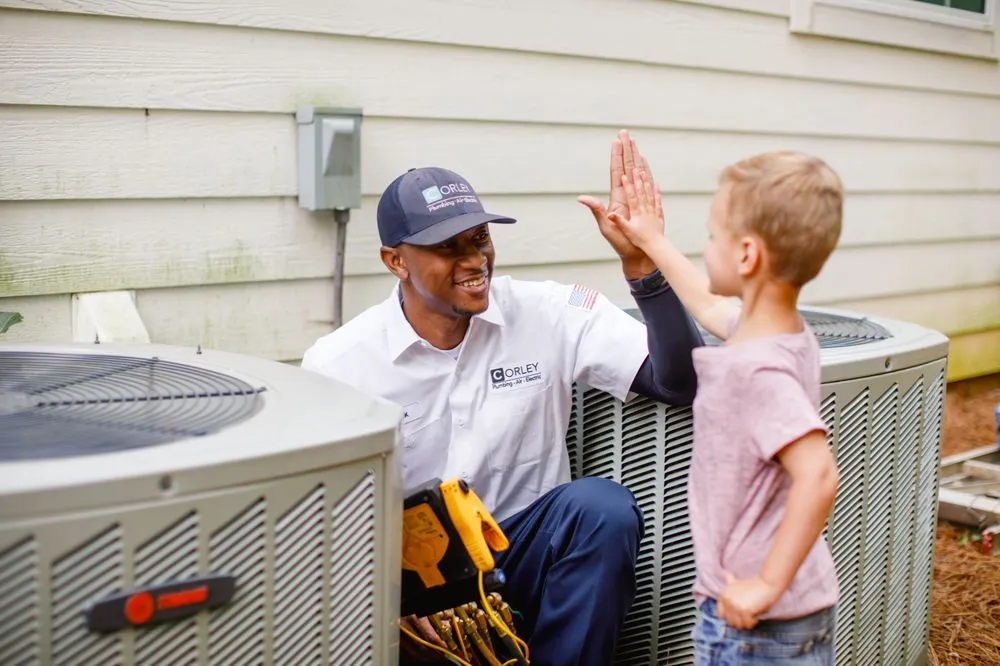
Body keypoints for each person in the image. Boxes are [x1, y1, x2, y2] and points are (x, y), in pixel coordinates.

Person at [300, 133, 704, 666]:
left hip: (524, 553)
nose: (474, 260)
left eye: (480, 239)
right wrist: (380, 594)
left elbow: (682, 383)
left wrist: (642, 265)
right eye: (448, 247)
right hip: (418, 584)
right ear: (396, 261)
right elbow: (320, 517)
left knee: (601, 509)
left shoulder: (549, 312)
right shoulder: (339, 364)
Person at [606, 135, 842, 665]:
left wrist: (764, 584)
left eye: (711, 236)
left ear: (747, 254)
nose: (705, 247)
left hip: (758, 621)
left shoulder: (752, 368)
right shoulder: (779, 334)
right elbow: (710, 305)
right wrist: (651, 241)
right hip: (775, 611)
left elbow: (818, 473)